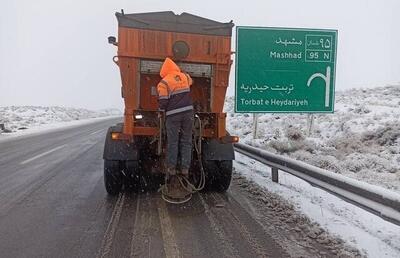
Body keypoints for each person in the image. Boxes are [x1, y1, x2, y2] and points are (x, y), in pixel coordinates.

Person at [157, 57, 194, 177]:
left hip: (173, 115)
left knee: (173, 142)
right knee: (186, 141)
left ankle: (171, 168)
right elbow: (191, 82)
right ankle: (185, 169)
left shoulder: (163, 83)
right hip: (188, 113)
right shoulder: (185, 76)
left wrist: (160, 111)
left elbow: (163, 101)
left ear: (163, 71)